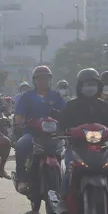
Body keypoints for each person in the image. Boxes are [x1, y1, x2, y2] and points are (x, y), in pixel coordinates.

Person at [56, 68, 108, 214]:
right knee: (69, 170)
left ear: (98, 86)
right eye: (87, 84)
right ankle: (63, 200)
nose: (90, 87)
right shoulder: (71, 105)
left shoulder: (103, 105)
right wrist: (62, 132)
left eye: (93, 84)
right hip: (77, 147)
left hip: (100, 148)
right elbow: (61, 125)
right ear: (80, 86)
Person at [12, 65, 67, 195]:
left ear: (50, 80)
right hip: (32, 133)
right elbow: (18, 114)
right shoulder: (27, 96)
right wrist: (19, 121)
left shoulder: (56, 96)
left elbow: (66, 113)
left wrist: (65, 125)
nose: (43, 81)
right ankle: (21, 179)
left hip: (53, 134)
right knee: (20, 146)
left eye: (45, 78)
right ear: (34, 81)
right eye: (39, 78)